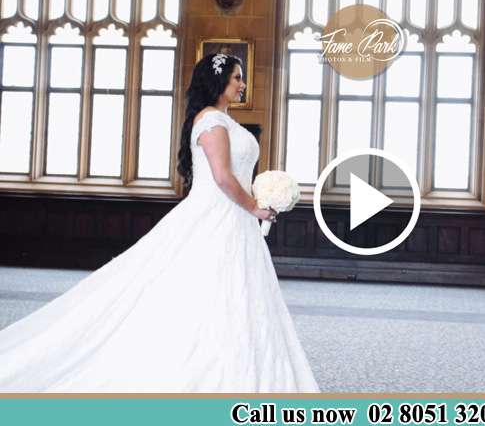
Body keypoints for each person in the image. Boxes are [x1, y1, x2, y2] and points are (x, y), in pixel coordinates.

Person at [0, 54, 319, 393]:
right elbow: (223, 178)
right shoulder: (212, 121)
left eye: (242, 78)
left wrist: (261, 196)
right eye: (237, 78)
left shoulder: (225, 120)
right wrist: (255, 207)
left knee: (237, 293)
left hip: (236, 218)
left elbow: (235, 176)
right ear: (218, 82)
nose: (242, 84)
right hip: (218, 215)